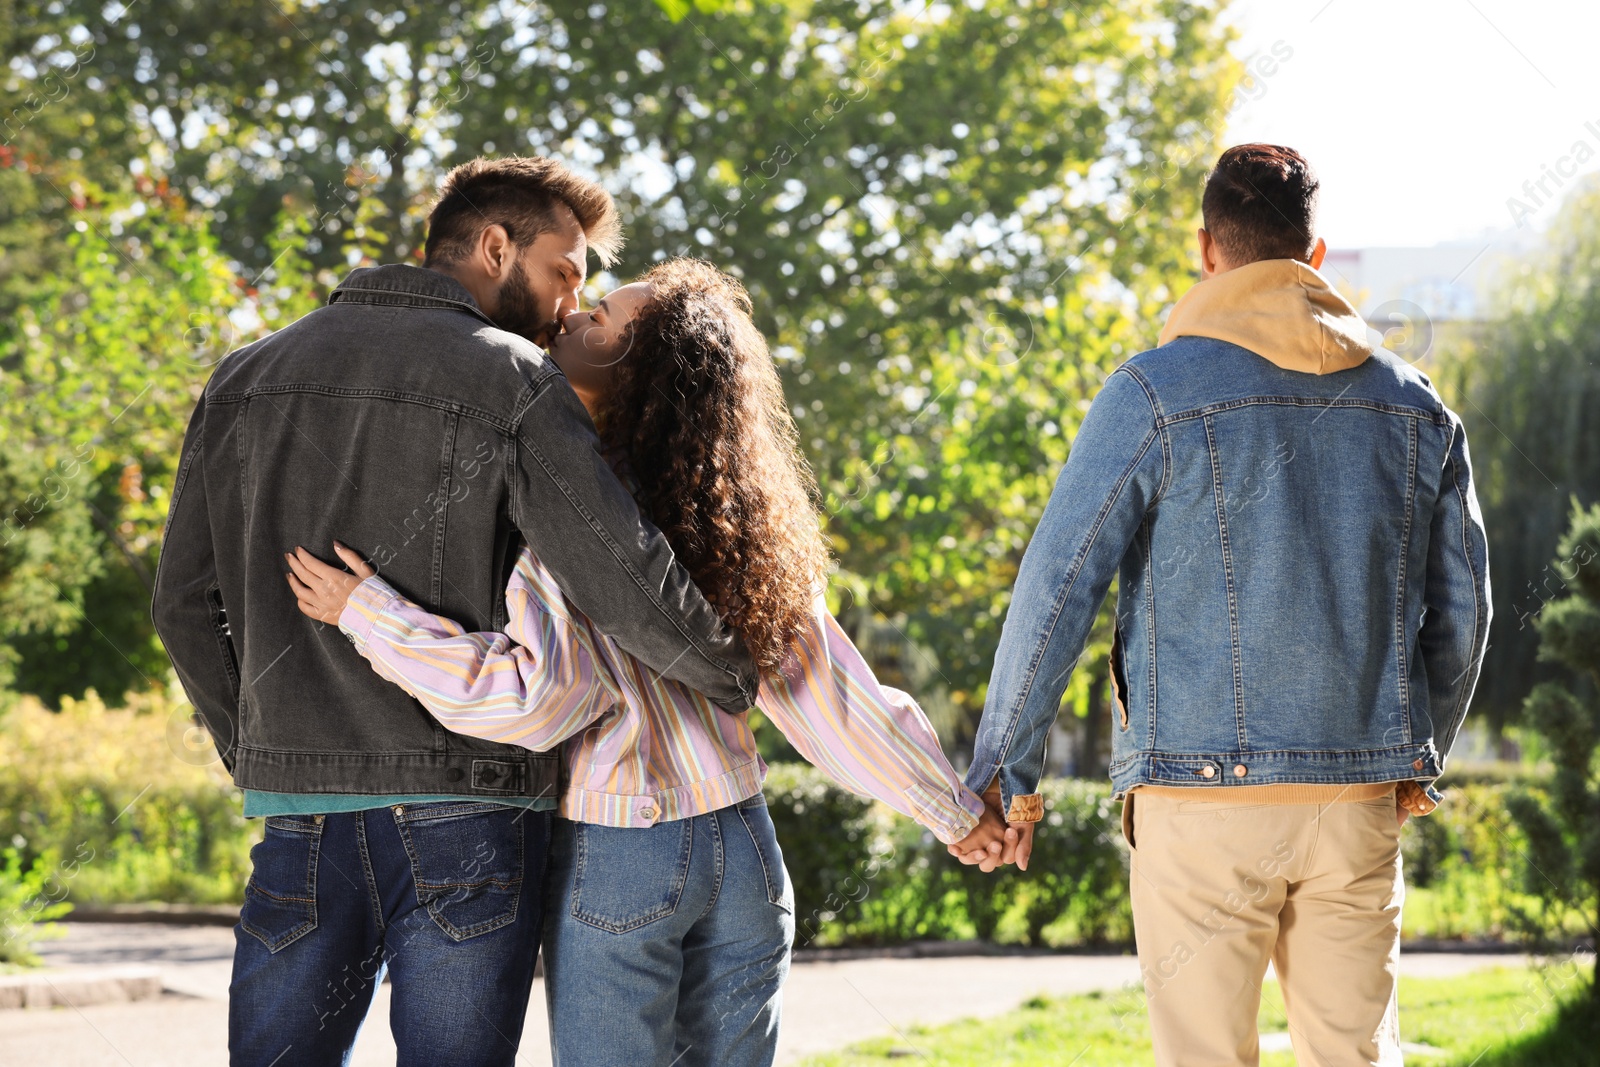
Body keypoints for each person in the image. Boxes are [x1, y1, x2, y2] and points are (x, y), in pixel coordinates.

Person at [284, 257, 1007, 1067]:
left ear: (641, 371)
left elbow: (541, 697)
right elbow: (832, 697)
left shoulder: (570, 506)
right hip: (744, 849)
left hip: (623, 849)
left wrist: (372, 615)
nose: (572, 319)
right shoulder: (741, 521)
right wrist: (955, 813)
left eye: (599, 318)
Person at [151, 156, 763, 1067]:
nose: (567, 302)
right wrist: (728, 669)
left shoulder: (244, 377)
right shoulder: (513, 380)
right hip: (468, 812)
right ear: (493, 245)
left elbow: (180, 603)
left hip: (301, 811)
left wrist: (262, 748)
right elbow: (620, 571)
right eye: (565, 270)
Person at [962, 144, 1491, 1066]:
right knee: (1356, 1056)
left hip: (1196, 800)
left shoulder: (1150, 395)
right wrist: (1416, 752)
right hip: (1357, 793)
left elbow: (1058, 586)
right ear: (1314, 255)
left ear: (1206, 249)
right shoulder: (1416, 408)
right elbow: (1464, 611)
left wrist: (1008, 773)